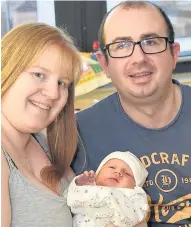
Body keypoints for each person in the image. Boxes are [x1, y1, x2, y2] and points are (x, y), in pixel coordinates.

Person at [71, 1, 191, 227]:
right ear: (104, 63)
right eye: (122, 45)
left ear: (174, 54)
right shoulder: (77, 134)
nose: (138, 58)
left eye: (151, 42)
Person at [1, 22, 82, 227]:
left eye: (62, 83)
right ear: (6, 70)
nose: (54, 93)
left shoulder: (42, 142)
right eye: (39, 75)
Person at [68, 151, 148, 227]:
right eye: (112, 167)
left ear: (135, 186)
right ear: (98, 173)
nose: (118, 172)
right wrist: (79, 184)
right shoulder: (87, 188)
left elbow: (137, 215)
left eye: (127, 174)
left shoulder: (134, 196)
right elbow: (71, 200)